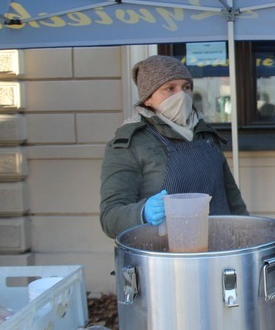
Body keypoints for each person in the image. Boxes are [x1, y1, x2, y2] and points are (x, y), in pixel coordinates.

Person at [100, 55, 248, 239]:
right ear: (147, 99)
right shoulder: (130, 144)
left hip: (219, 251)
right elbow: (110, 217)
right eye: (170, 89)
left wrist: (246, 235)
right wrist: (142, 212)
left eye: (186, 87)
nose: (181, 95)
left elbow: (233, 201)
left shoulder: (205, 135)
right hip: (164, 258)